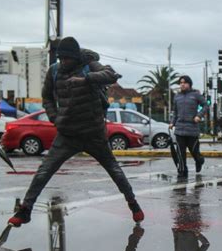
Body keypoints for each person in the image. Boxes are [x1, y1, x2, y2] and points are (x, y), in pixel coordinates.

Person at [8, 36, 144, 226]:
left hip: (93, 133)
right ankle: (25, 210)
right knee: (43, 172)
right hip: (67, 134)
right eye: (61, 58)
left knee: (115, 171)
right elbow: (46, 97)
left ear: (75, 57)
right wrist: (55, 118)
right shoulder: (54, 71)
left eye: (67, 59)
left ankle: (133, 204)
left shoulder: (89, 64)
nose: (63, 62)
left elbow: (111, 75)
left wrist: (85, 80)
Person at [169, 75, 208, 178]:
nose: (182, 84)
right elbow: (175, 112)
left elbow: (205, 105)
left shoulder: (196, 95)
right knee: (180, 153)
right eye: (181, 82)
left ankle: (199, 161)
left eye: (184, 82)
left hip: (192, 129)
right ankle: (182, 170)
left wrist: (199, 116)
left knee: (195, 151)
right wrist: (172, 122)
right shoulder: (177, 97)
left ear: (189, 84)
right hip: (179, 129)